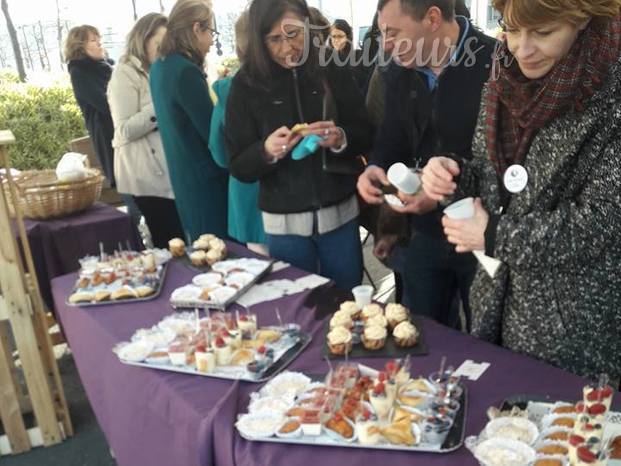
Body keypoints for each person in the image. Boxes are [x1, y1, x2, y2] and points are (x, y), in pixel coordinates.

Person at [422, 0, 621, 380]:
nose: (521, 48)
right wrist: (452, 173)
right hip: (495, 301)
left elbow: (600, 223)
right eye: (511, 29)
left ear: (581, 22)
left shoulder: (611, 94)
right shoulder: (503, 77)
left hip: (573, 329)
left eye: (543, 32)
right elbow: (487, 168)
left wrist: (496, 235)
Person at [357, 0, 496, 330]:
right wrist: (375, 167)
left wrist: (440, 192)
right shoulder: (398, 73)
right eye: (382, 34)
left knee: (485, 340)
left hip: (482, 234)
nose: (386, 45)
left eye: (393, 33)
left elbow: (504, 159)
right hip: (423, 233)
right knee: (419, 334)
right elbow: (390, 139)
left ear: (433, 18)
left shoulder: (496, 63)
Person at [225, 0, 373, 290]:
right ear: (259, 39)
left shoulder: (332, 66)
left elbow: (366, 132)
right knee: (299, 308)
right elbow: (239, 166)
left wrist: (341, 137)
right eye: (275, 39)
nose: (287, 47)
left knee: (348, 302)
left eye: (294, 34)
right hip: (284, 224)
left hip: (340, 215)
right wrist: (266, 151)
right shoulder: (246, 85)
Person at [150, 0, 228, 241]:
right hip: (207, 183)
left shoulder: (159, 67)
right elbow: (212, 132)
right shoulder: (185, 71)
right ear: (196, 29)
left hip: (185, 179)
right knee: (223, 255)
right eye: (211, 32)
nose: (212, 40)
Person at [107, 13, 184, 249]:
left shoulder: (159, 69)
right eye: (158, 44)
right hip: (145, 176)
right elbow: (125, 130)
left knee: (179, 237)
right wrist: (160, 105)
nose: (163, 50)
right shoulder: (124, 73)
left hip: (169, 171)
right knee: (168, 239)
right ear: (143, 38)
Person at [209, 11, 267, 255]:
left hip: (246, 196)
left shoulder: (227, 90)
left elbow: (220, 154)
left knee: (267, 277)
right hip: (288, 199)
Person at [65, 25, 116, 186]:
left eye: (99, 39)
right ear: (80, 47)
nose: (100, 43)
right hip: (108, 133)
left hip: (122, 129)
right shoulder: (80, 72)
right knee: (126, 181)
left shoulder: (106, 67)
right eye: (94, 40)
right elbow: (104, 104)